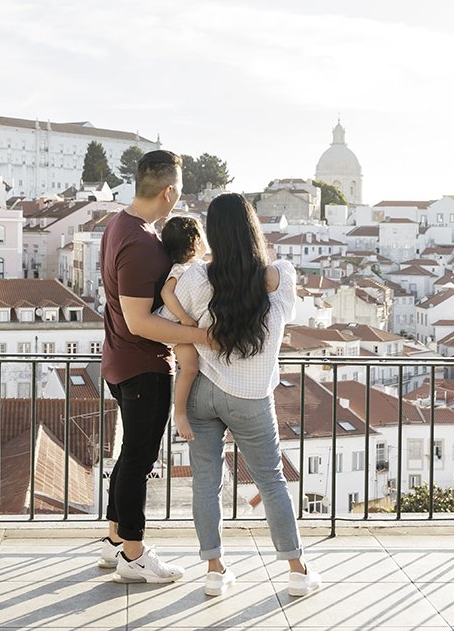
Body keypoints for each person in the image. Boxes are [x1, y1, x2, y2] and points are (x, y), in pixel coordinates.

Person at [164, 193, 321, 599]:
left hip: (201, 394)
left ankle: (215, 571)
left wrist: (191, 325)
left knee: (205, 483)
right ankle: (297, 571)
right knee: (271, 482)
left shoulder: (195, 279)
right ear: (253, 227)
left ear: (212, 233)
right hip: (252, 398)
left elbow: (167, 324)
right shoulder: (281, 277)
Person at [97, 149, 212, 584]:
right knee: (139, 461)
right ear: (169, 191)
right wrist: (202, 336)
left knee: (129, 458)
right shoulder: (143, 244)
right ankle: (134, 555)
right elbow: (139, 320)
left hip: (120, 360)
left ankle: (115, 543)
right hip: (143, 366)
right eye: (179, 191)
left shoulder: (119, 226)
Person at [153, 215, 207, 443]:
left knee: (193, 367)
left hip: (179, 325)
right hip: (172, 324)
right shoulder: (181, 268)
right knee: (190, 368)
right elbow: (166, 293)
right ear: (195, 240)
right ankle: (180, 413)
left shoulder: (195, 267)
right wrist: (183, 318)